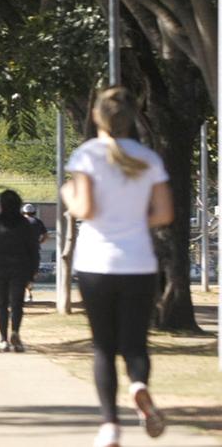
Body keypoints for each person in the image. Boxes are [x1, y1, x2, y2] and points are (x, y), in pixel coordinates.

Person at [61, 86, 174, 447]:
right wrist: (134, 218)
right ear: (133, 116)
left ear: (97, 116)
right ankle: (139, 385)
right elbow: (165, 214)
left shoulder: (87, 156)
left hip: (96, 263)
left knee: (103, 347)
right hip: (138, 262)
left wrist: (67, 196)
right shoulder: (148, 159)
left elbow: (87, 210)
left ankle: (110, 425)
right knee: (137, 344)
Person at [0, 189, 39, 353]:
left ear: (2, 206)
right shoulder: (24, 223)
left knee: (1, 305)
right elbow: (33, 248)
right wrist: (33, 271)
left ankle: (3, 340)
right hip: (20, 267)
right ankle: (16, 333)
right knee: (17, 304)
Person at [22, 203, 48, 302]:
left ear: (23, 212)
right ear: (34, 212)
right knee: (33, 271)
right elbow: (46, 235)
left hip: (21, 251)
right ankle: (29, 293)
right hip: (34, 250)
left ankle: (23, 293)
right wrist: (39, 242)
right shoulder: (38, 222)